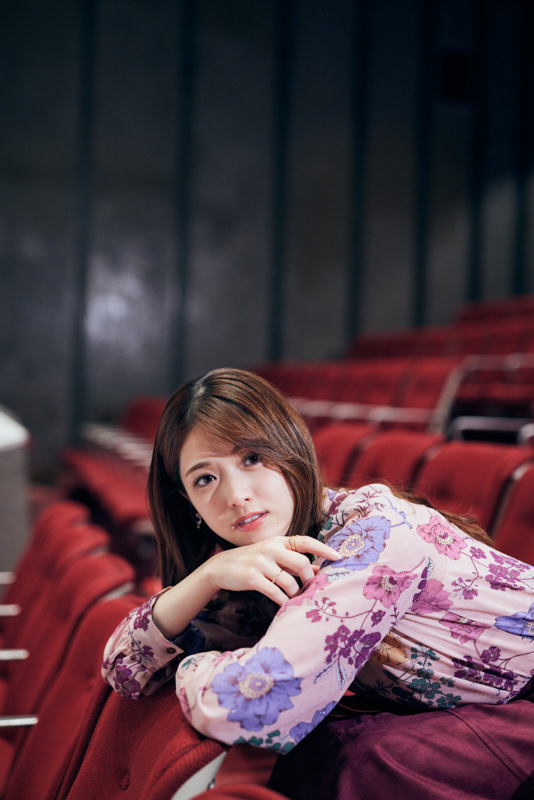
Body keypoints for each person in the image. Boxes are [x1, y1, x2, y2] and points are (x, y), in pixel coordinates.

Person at [102, 368, 534, 799]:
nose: (235, 495)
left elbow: (244, 707)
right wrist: (207, 576)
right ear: (189, 503)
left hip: (525, 705)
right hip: (478, 709)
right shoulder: (260, 561)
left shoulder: (373, 531)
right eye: (205, 479)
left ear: (289, 448)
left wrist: (191, 664)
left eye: (252, 458)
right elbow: (124, 668)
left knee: (359, 759)